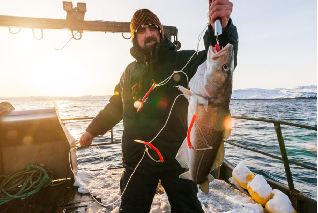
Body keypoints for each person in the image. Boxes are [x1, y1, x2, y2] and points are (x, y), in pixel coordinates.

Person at [79, 0, 238, 212]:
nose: (148, 33)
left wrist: (222, 28)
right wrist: (92, 130)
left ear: (161, 32)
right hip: (137, 160)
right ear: (135, 37)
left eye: (153, 27)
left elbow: (218, 65)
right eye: (141, 30)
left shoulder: (182, 60)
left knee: (189, 209)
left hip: (176, 158)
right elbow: (115, 106)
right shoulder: (129, 72)